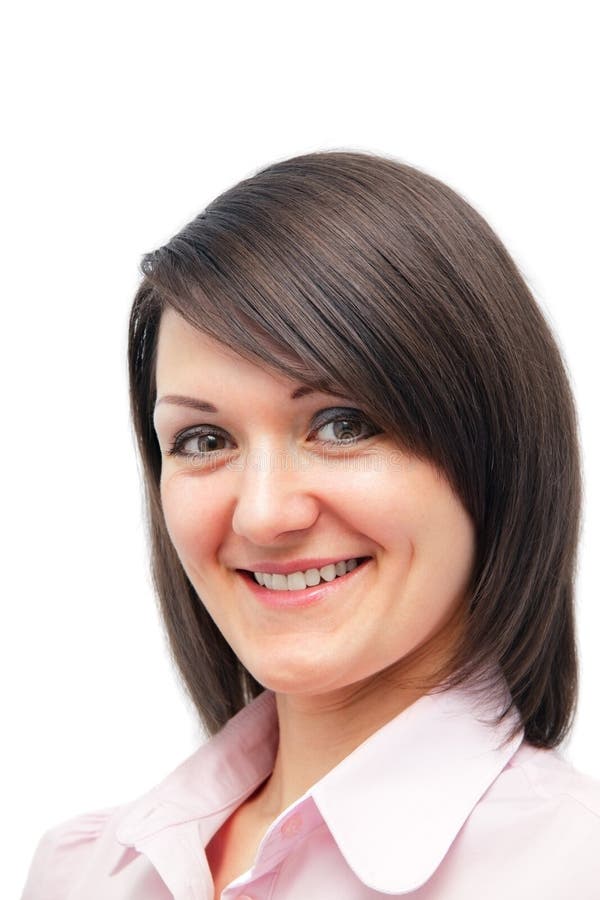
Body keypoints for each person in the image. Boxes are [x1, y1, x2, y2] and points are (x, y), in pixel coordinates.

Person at [21, 150, 600, 899]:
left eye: (343, 424)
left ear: (491, 447)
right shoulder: (79, 873)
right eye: (205, 441)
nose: (263, 514)